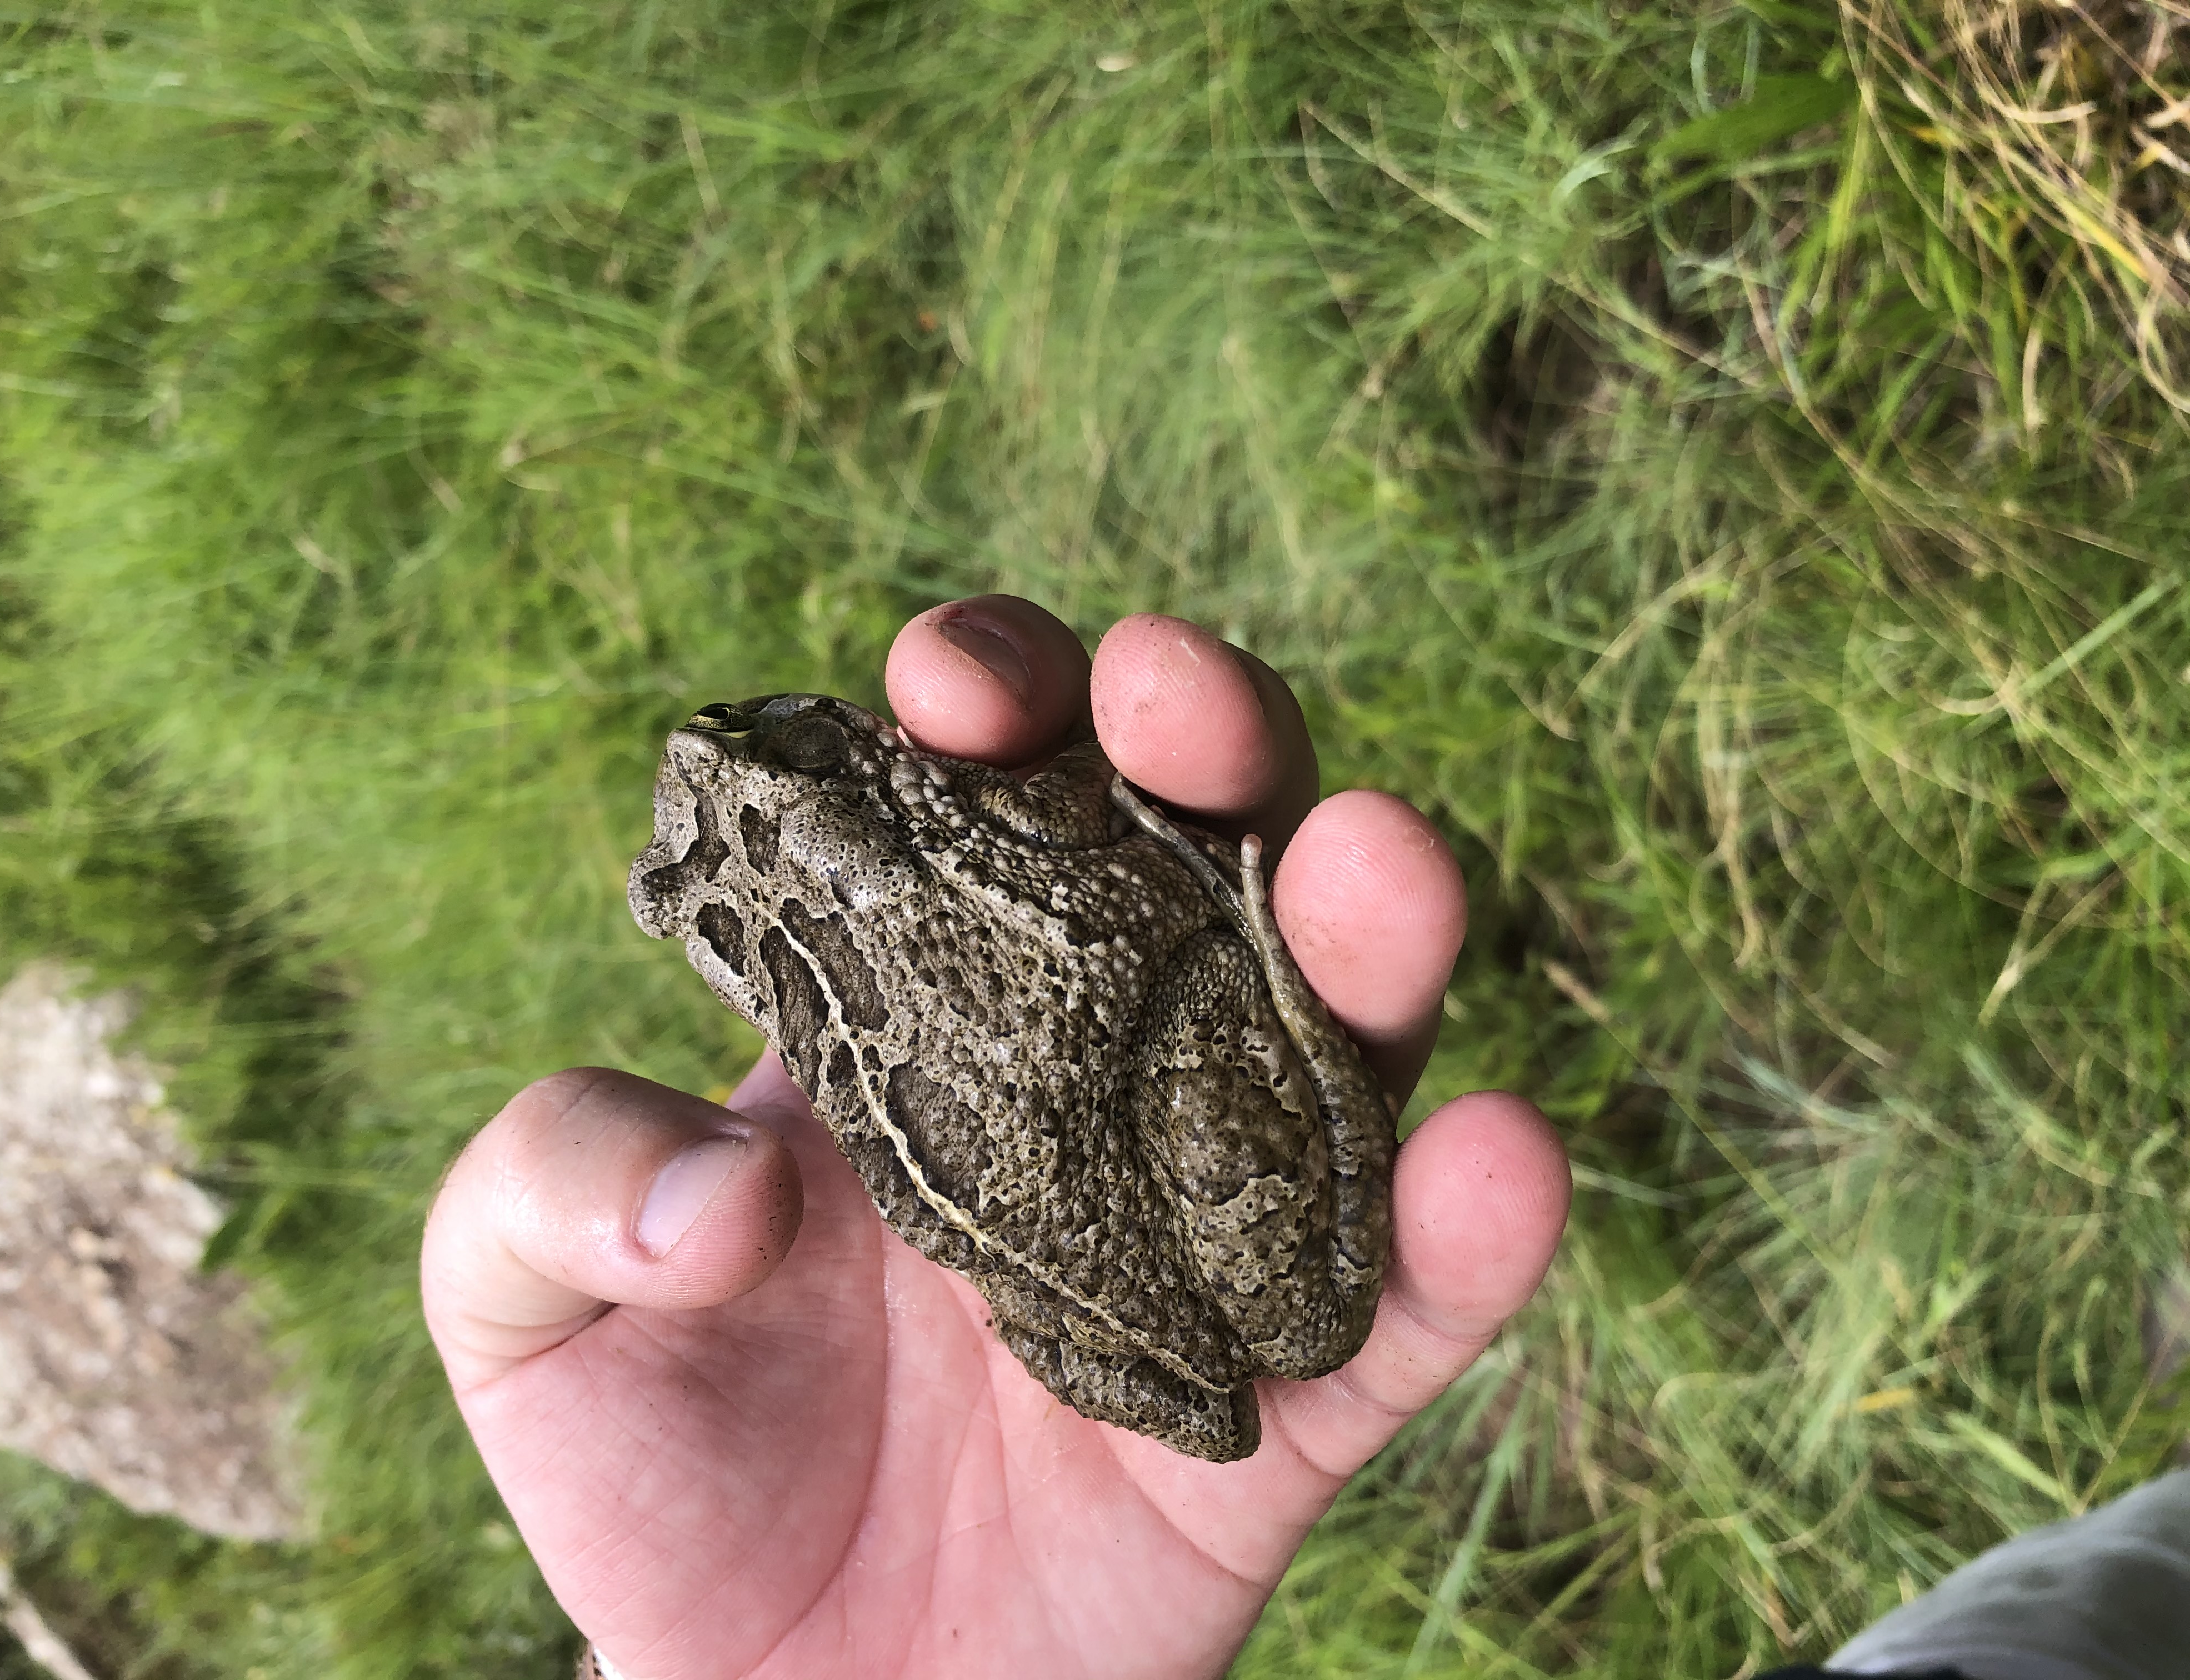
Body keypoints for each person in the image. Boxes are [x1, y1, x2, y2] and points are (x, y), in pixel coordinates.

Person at [421, 594, 1571, 1678]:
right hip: (1152, 1100)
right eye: (749, 734)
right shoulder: (956, 819)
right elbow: (1085, 807)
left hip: (1095, 1299)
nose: (711, 747)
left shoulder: (837, 994)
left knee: (1205, 1322)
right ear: (822, 759)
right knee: (1208, 990)